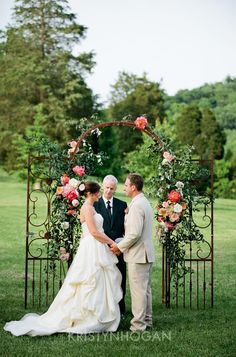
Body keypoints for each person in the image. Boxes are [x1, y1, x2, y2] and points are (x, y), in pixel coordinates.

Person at [4, 181, 122, 336]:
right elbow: (93, 232)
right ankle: (86, 317)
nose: (99, 195)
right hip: (91, 247)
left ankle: (99, 316)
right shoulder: (86, 208)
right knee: (89, 279)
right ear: (90, 194)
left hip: (96, 246)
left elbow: (98, 231)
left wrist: (109, 244)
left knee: (99, 279)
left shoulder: (91, 207)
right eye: (97, 192)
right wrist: (112, 243)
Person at [111, 173, 155, 332]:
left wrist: (119, 247)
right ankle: (147, 320)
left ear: (133, 187)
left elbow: (134, 234)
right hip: (145, 253)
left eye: (126, 185)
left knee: (138, 292)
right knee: (145, 290)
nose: (124, 188)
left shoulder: (137, 206)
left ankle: (138, 325)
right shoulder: (143, 202)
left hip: (138, 255)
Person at [94, 175, 127, 316]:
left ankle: (120, 307)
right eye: (106, 187)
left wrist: (121, 246)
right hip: (101, 247)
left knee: (120, 276)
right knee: (103, 278)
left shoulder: (122, 205)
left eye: (111, 189)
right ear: (102, 187)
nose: (108, 191)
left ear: (115, 189)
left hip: (119, 248)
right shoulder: (94, 205)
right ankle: (104, 308)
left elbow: (127, 229)